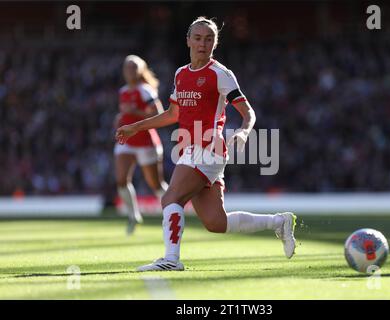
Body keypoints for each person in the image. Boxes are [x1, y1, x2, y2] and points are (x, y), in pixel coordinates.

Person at [116, 17, 297, 271]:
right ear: (188, 40)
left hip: (208, 149)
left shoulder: (220, 74)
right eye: (198, 38)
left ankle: (170, 259)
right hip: (189, 149)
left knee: (171, 198)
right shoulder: (181, 74)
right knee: (215, 222)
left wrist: (244, 132)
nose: (203, 43)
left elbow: (248, 113)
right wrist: (136, 126)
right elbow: (172, 114)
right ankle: (279, 222)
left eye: (209, 39)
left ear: (215, 43)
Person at [114, 55, 168, 235]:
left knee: (156, 185)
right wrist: (120, 119)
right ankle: (133, 215)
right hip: (127, 141)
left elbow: (159, 114)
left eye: (133, 67)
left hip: (146, 141)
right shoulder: (122, 91)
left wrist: (135, 112)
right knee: (121, 179)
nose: (129, 70)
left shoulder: (146, 90)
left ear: (140, 70)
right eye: (127, 67)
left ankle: (173, 211)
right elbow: (126, 114)